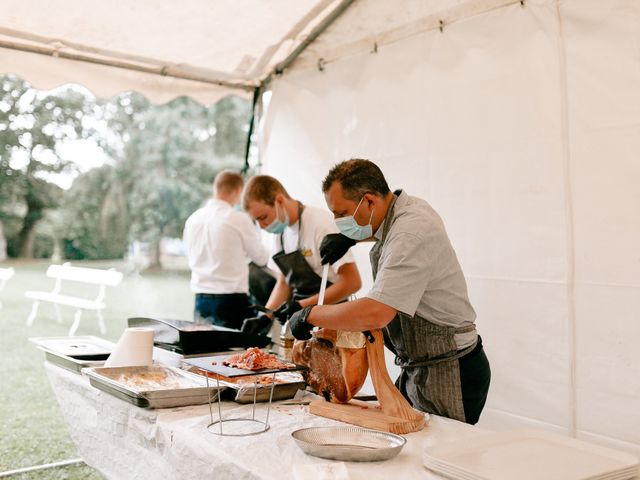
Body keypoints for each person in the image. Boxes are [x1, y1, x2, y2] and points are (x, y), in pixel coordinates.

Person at [288, 159, 491, 425]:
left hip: (449, 370)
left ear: (370, 202)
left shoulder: (413, 229)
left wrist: (311, 315)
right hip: (420, 367)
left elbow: (376, 313)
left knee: (434, 456)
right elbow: (389, 229)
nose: (338, 222)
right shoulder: (402, 210)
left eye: (342, 213)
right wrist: (352, 237)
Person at [241, 175, 362, 333]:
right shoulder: (279, 235)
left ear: (280, 201)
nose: (262, 226)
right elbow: (284, 283)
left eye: (263, 217)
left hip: (335, 322)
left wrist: (302, 305)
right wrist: (265, 315)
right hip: (302, 322)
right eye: (256, 221)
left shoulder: (321, 224)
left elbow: (352, 282)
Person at [183, 170, 270, 329]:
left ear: (216, 188)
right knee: (235, 352)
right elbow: (261, 257)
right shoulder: (238, 219)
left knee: (203, 351)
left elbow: (190, 256)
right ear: (239, 191)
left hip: (200, 300)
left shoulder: (192, 220)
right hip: (231, 302)